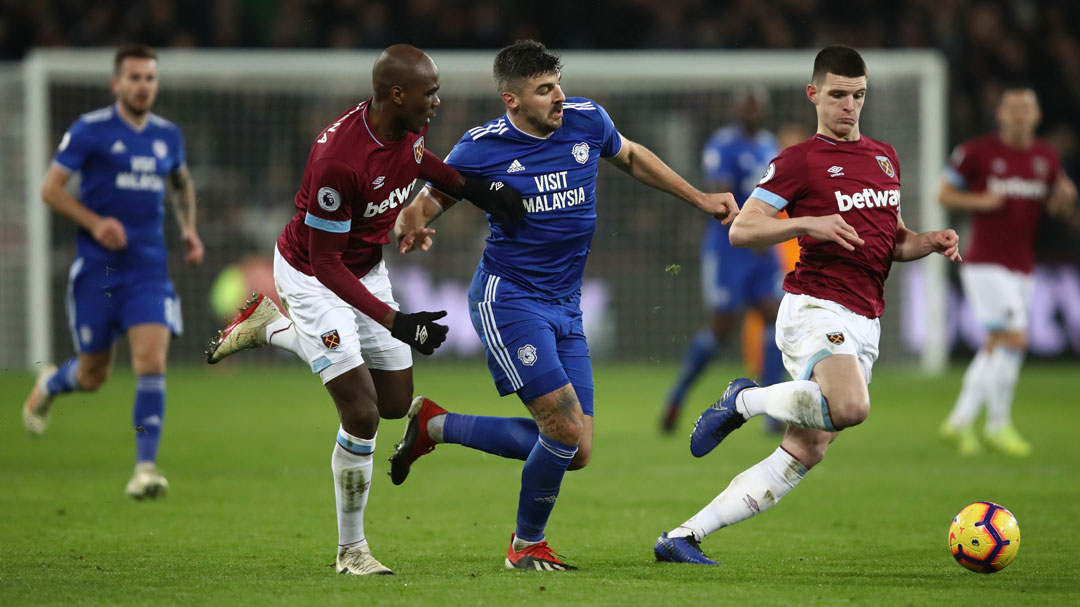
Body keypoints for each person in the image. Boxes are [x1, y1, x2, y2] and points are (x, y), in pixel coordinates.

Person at [388, 40, 738, 571]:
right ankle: (525, 546)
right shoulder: (481, 146)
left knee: (576, 449)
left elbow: (634, 157)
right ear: (511, 100)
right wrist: (412, 222)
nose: (559, 97)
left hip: (565, 305)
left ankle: (434, 425)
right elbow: (434, 197)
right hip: (509, 300)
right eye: (544, 90)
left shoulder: (586, 120)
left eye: (558, 84)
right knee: (564, 428)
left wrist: (700, 199)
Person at [203, 44, 523, 575]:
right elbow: (327, 266)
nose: (438, 101)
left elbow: (422, 165)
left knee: (396, 402)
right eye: (431, 92)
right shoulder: (338, 161)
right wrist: (398, 321)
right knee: (362, 411)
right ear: (397, 94)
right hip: (311, 277)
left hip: (366, 266)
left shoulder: (407, 125)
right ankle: (351, 550)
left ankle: (270, 327)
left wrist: (481, 192)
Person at [653, 45, 962, 565]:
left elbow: (893, 241)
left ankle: (683, 536)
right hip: (816, 307)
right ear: (814, 94)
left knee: (806, 449)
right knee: (851, 407)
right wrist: (805, 223)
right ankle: (744, 400)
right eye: (838, 95)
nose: (849, 106)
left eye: (858, 96)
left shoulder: (884, 157)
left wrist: (927, 240)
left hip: (866, 317)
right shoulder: (799, 161)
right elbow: (743, 230)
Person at [21, 44, 204, 500]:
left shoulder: (167, 135)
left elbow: (182, 183)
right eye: (135, 78)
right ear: (116, 83)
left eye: (150, 78)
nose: (143, 86)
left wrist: (188, 230)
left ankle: (144, 468)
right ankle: (50, 383)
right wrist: (95, 222)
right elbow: (50, 189)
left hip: (148, 269)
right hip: (98, 273)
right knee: (92, 376)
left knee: (151, 361)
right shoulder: (91, 130)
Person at [939, 86, 1077, 457]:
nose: (1019, 116)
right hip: (984, 262)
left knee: (998, 344)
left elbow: (1059, 208)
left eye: (1026, 109)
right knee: (1013, 338)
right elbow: (944, 194)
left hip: (1023, 265)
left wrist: (1066, 202)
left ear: (1036, 116)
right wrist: (980, 200)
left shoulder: (1046, 157)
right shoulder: (978, 152)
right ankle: (997, 424)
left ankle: (960, 421)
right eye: (1012, 109)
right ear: (1000, 114)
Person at [660, 88, 787, 435]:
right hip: (728, 249)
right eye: (748, 106)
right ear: (736, 110)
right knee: (721, 329)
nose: (753, 112)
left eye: (758, 106)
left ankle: (773, 412)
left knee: (776, 319)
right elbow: (720, 193)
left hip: (763, 248)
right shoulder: (722, 145)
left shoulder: (768, 145)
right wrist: (751, 230)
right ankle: (677, 395)